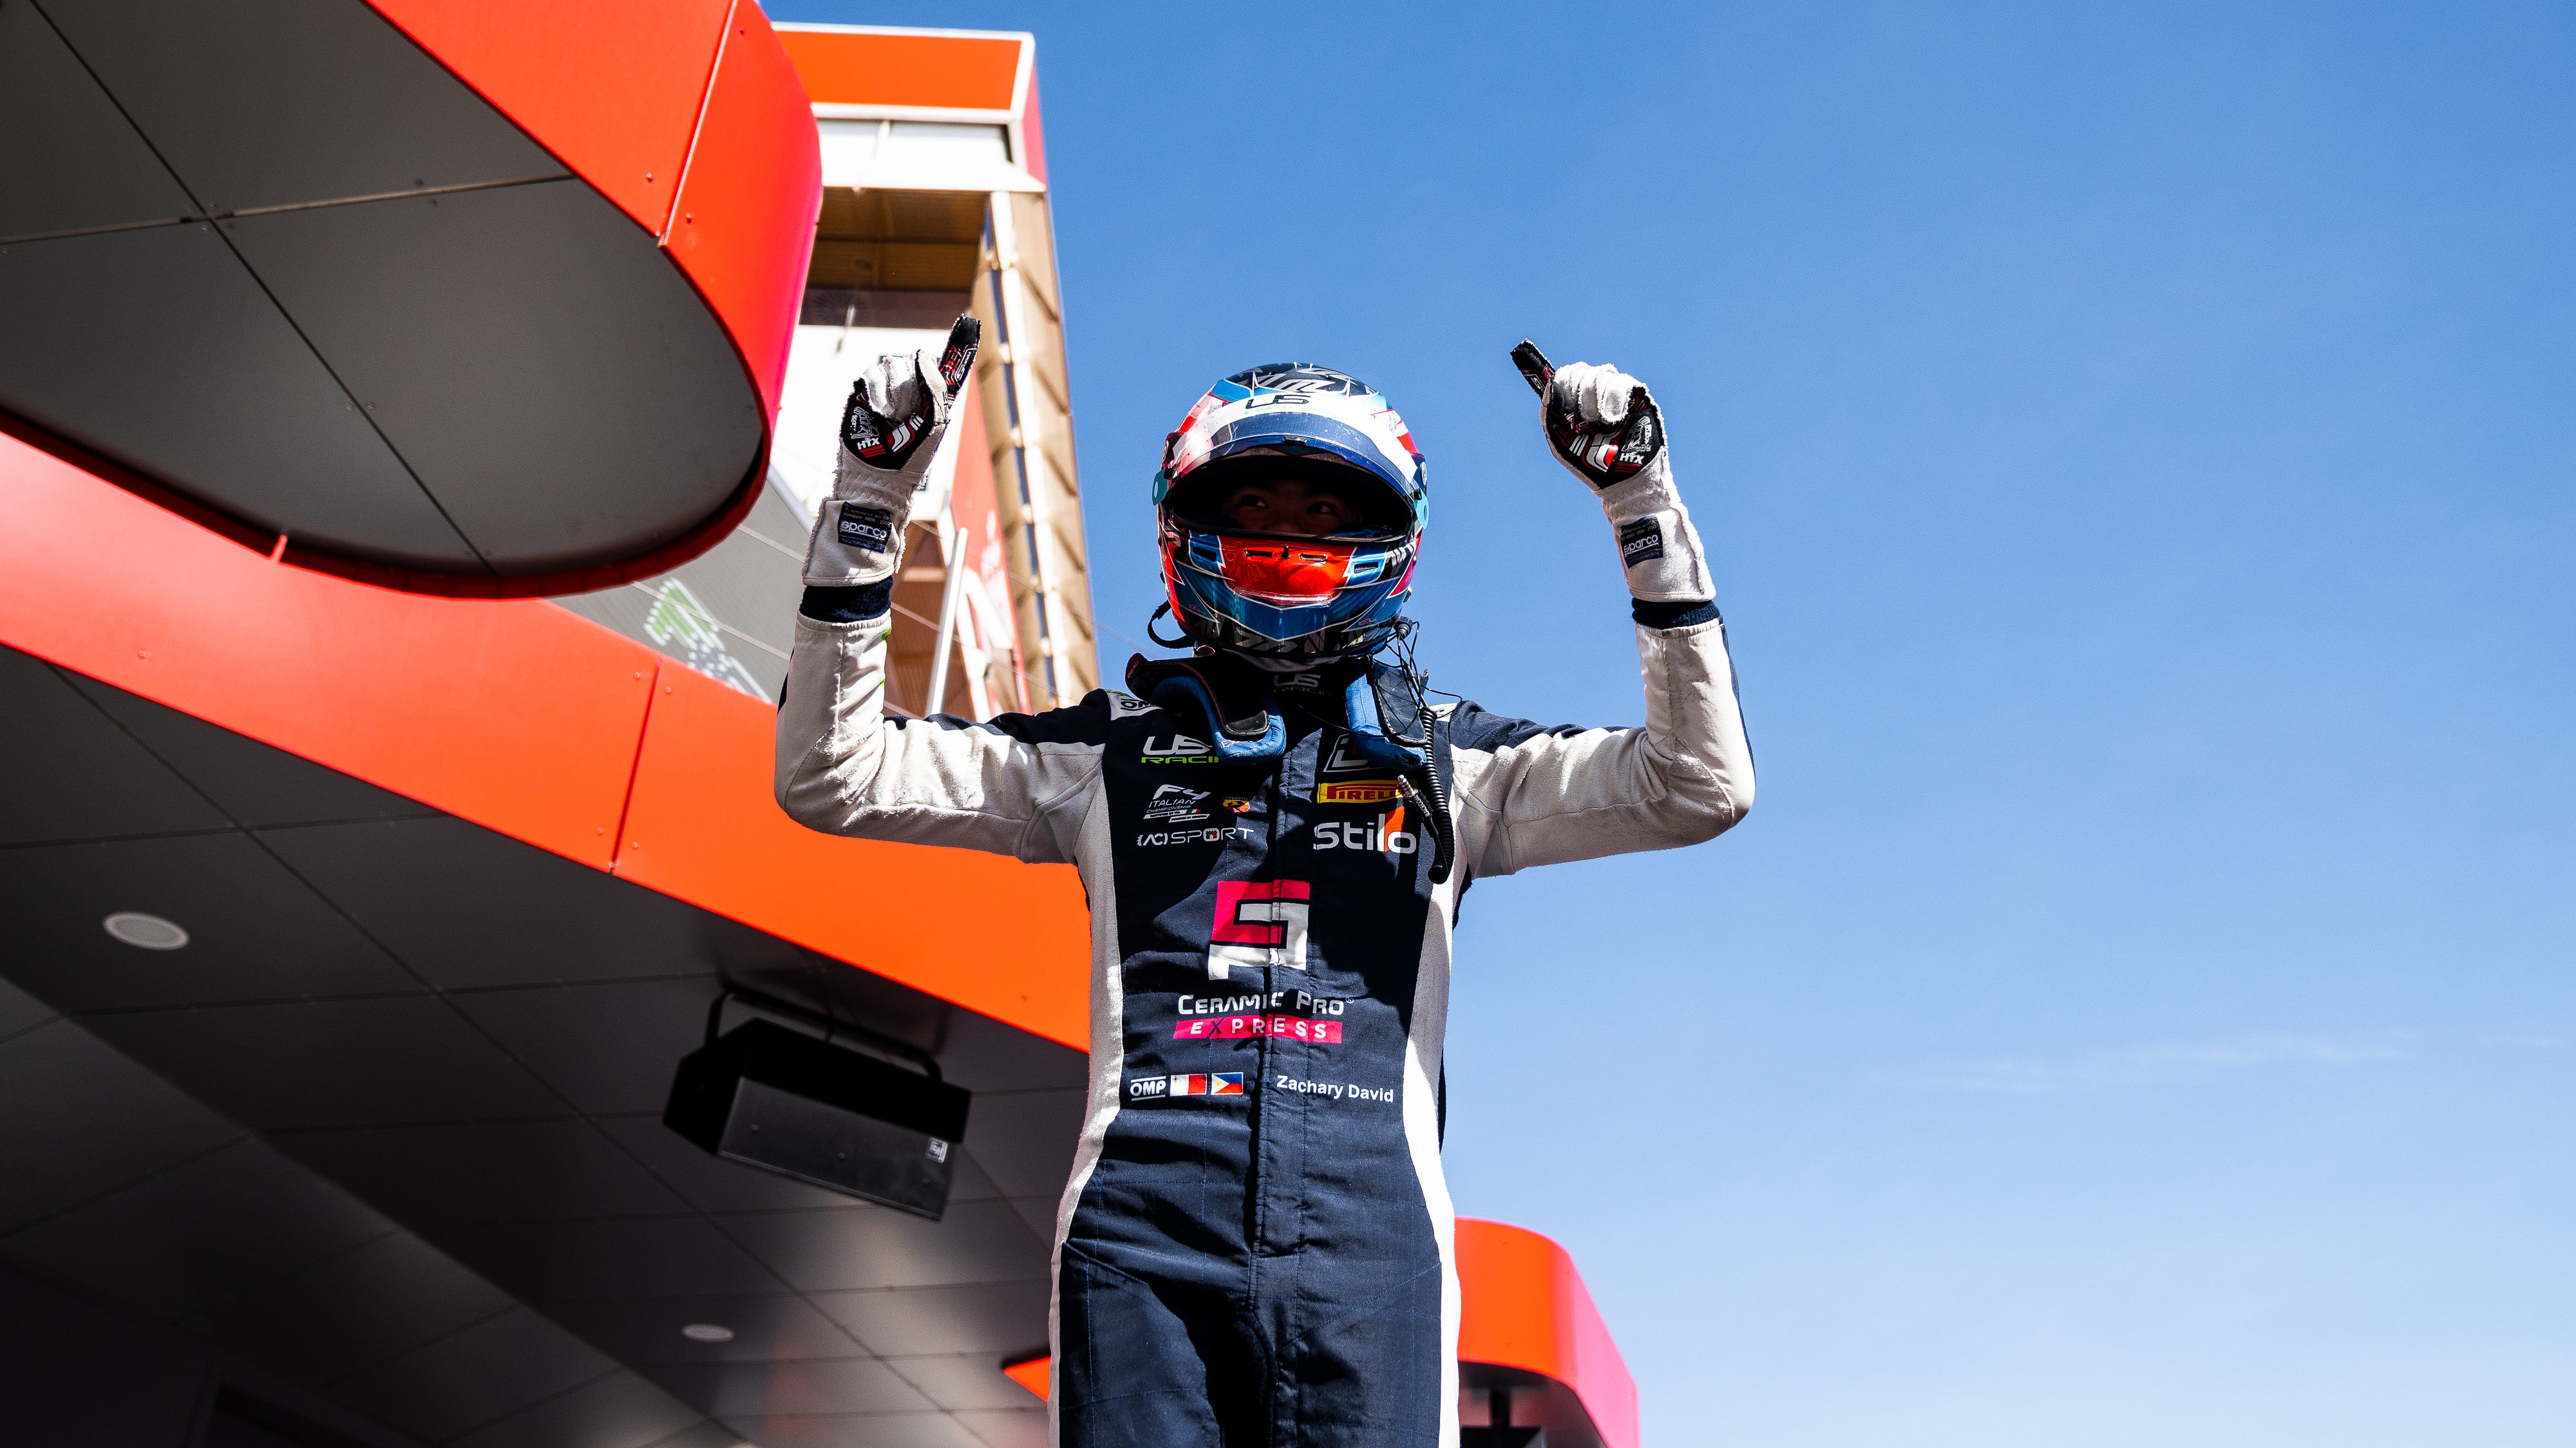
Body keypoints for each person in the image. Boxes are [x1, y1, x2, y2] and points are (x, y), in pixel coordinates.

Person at [777, 332, 1754, 1448]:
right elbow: (834, 774)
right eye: (1253, 503)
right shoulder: (1104, 752)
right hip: (1137, 1243)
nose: (1286, 537)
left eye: (1324, 511)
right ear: (1186, 526)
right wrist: (870, 498)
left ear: (1389, 537)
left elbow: (1701, 784)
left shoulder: (1455, 761)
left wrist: (1641, 503)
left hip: (1371, 1253)